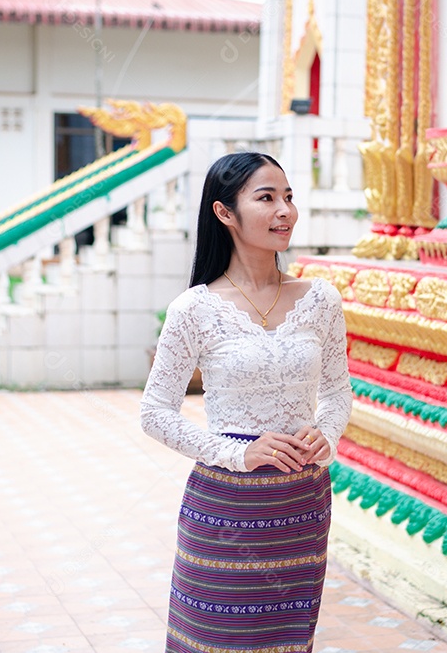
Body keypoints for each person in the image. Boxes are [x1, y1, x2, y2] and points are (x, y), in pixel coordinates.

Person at [139, 151, 353, 653]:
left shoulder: (321, 298)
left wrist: (328, 432)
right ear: (224, 213)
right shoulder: (194, 308)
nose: (285, 211)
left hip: (301, 501)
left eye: (288, 197)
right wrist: (239, 453)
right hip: (226, 507)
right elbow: (154, 412)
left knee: (287, 640)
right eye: (266, 198)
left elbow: (338, 390)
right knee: (217, 638)